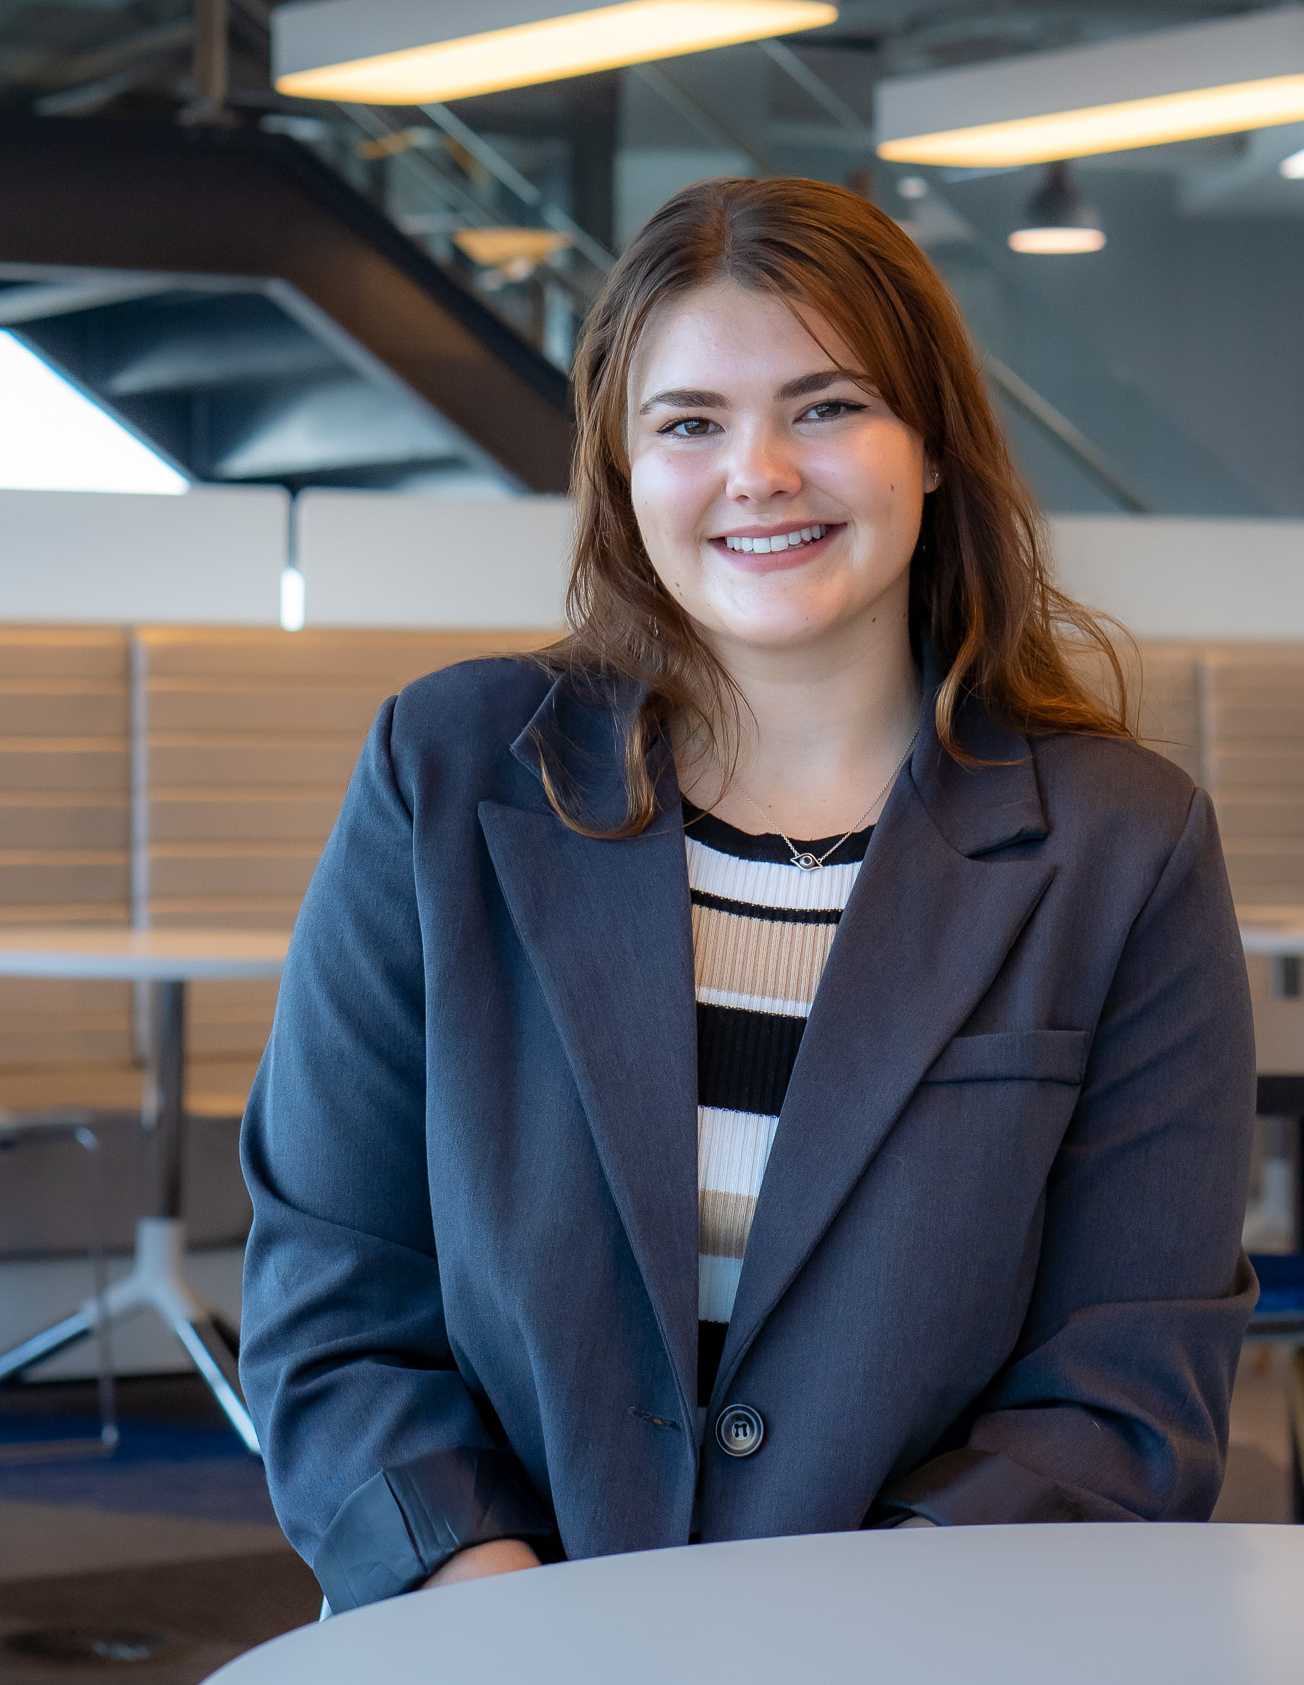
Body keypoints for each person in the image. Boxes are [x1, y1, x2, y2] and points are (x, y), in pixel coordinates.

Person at [239, 177, 1256, 1611]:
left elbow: (1128, 1378)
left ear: (933, 449)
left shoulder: (1118, 846)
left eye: (827, 406)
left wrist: (826, 1639)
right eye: (690, 423)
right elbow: (334, 1288)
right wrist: (502, 1616)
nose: (760, 473)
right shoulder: (447, 774)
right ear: (622, 469)